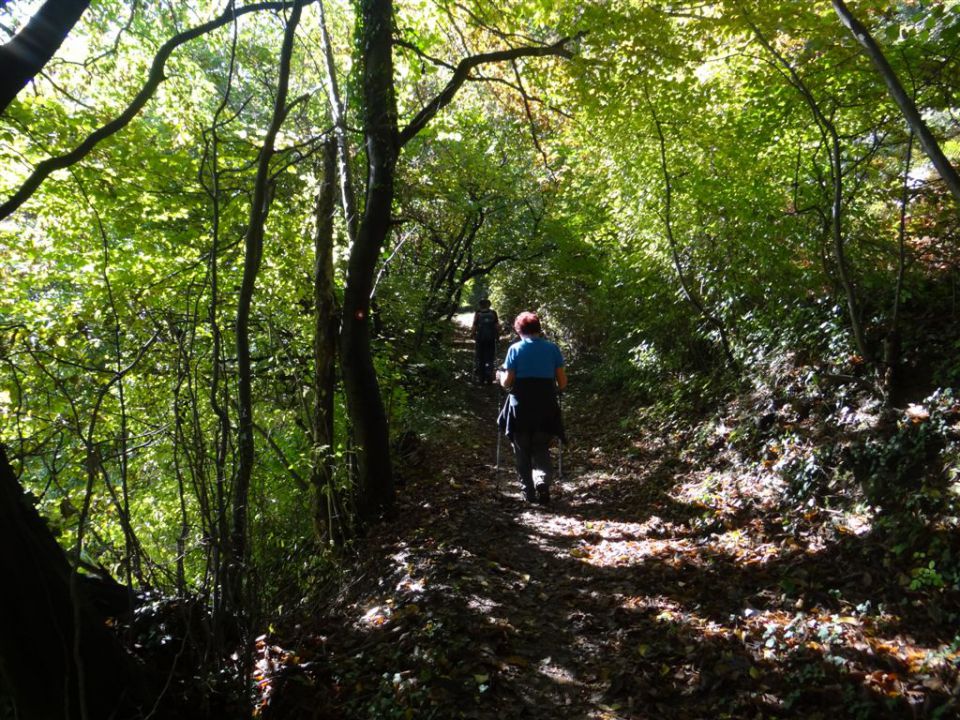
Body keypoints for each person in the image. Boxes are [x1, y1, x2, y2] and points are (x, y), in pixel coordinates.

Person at [496, 311, 567, 505]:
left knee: (521, 448)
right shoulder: (552, 348)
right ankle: (542, 480)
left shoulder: (515, 349)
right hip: (546, 405)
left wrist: (499, 376)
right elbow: (562, 383)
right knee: (541, 446)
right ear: (538, 329)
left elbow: (507, 382)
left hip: (521, 407)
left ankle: (528, 491)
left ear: (519, 330)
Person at [471, 299, 500, 383]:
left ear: (480, 305)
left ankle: (481, 377)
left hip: (480, 339)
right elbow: (497, 326)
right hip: (491, 339)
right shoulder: (493, 313)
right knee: (490, 357)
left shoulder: (478, 313)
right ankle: (489, 375)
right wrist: (497, 336)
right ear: (489, 305)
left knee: (480, 357)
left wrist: (472, 334)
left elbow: (474, 326)